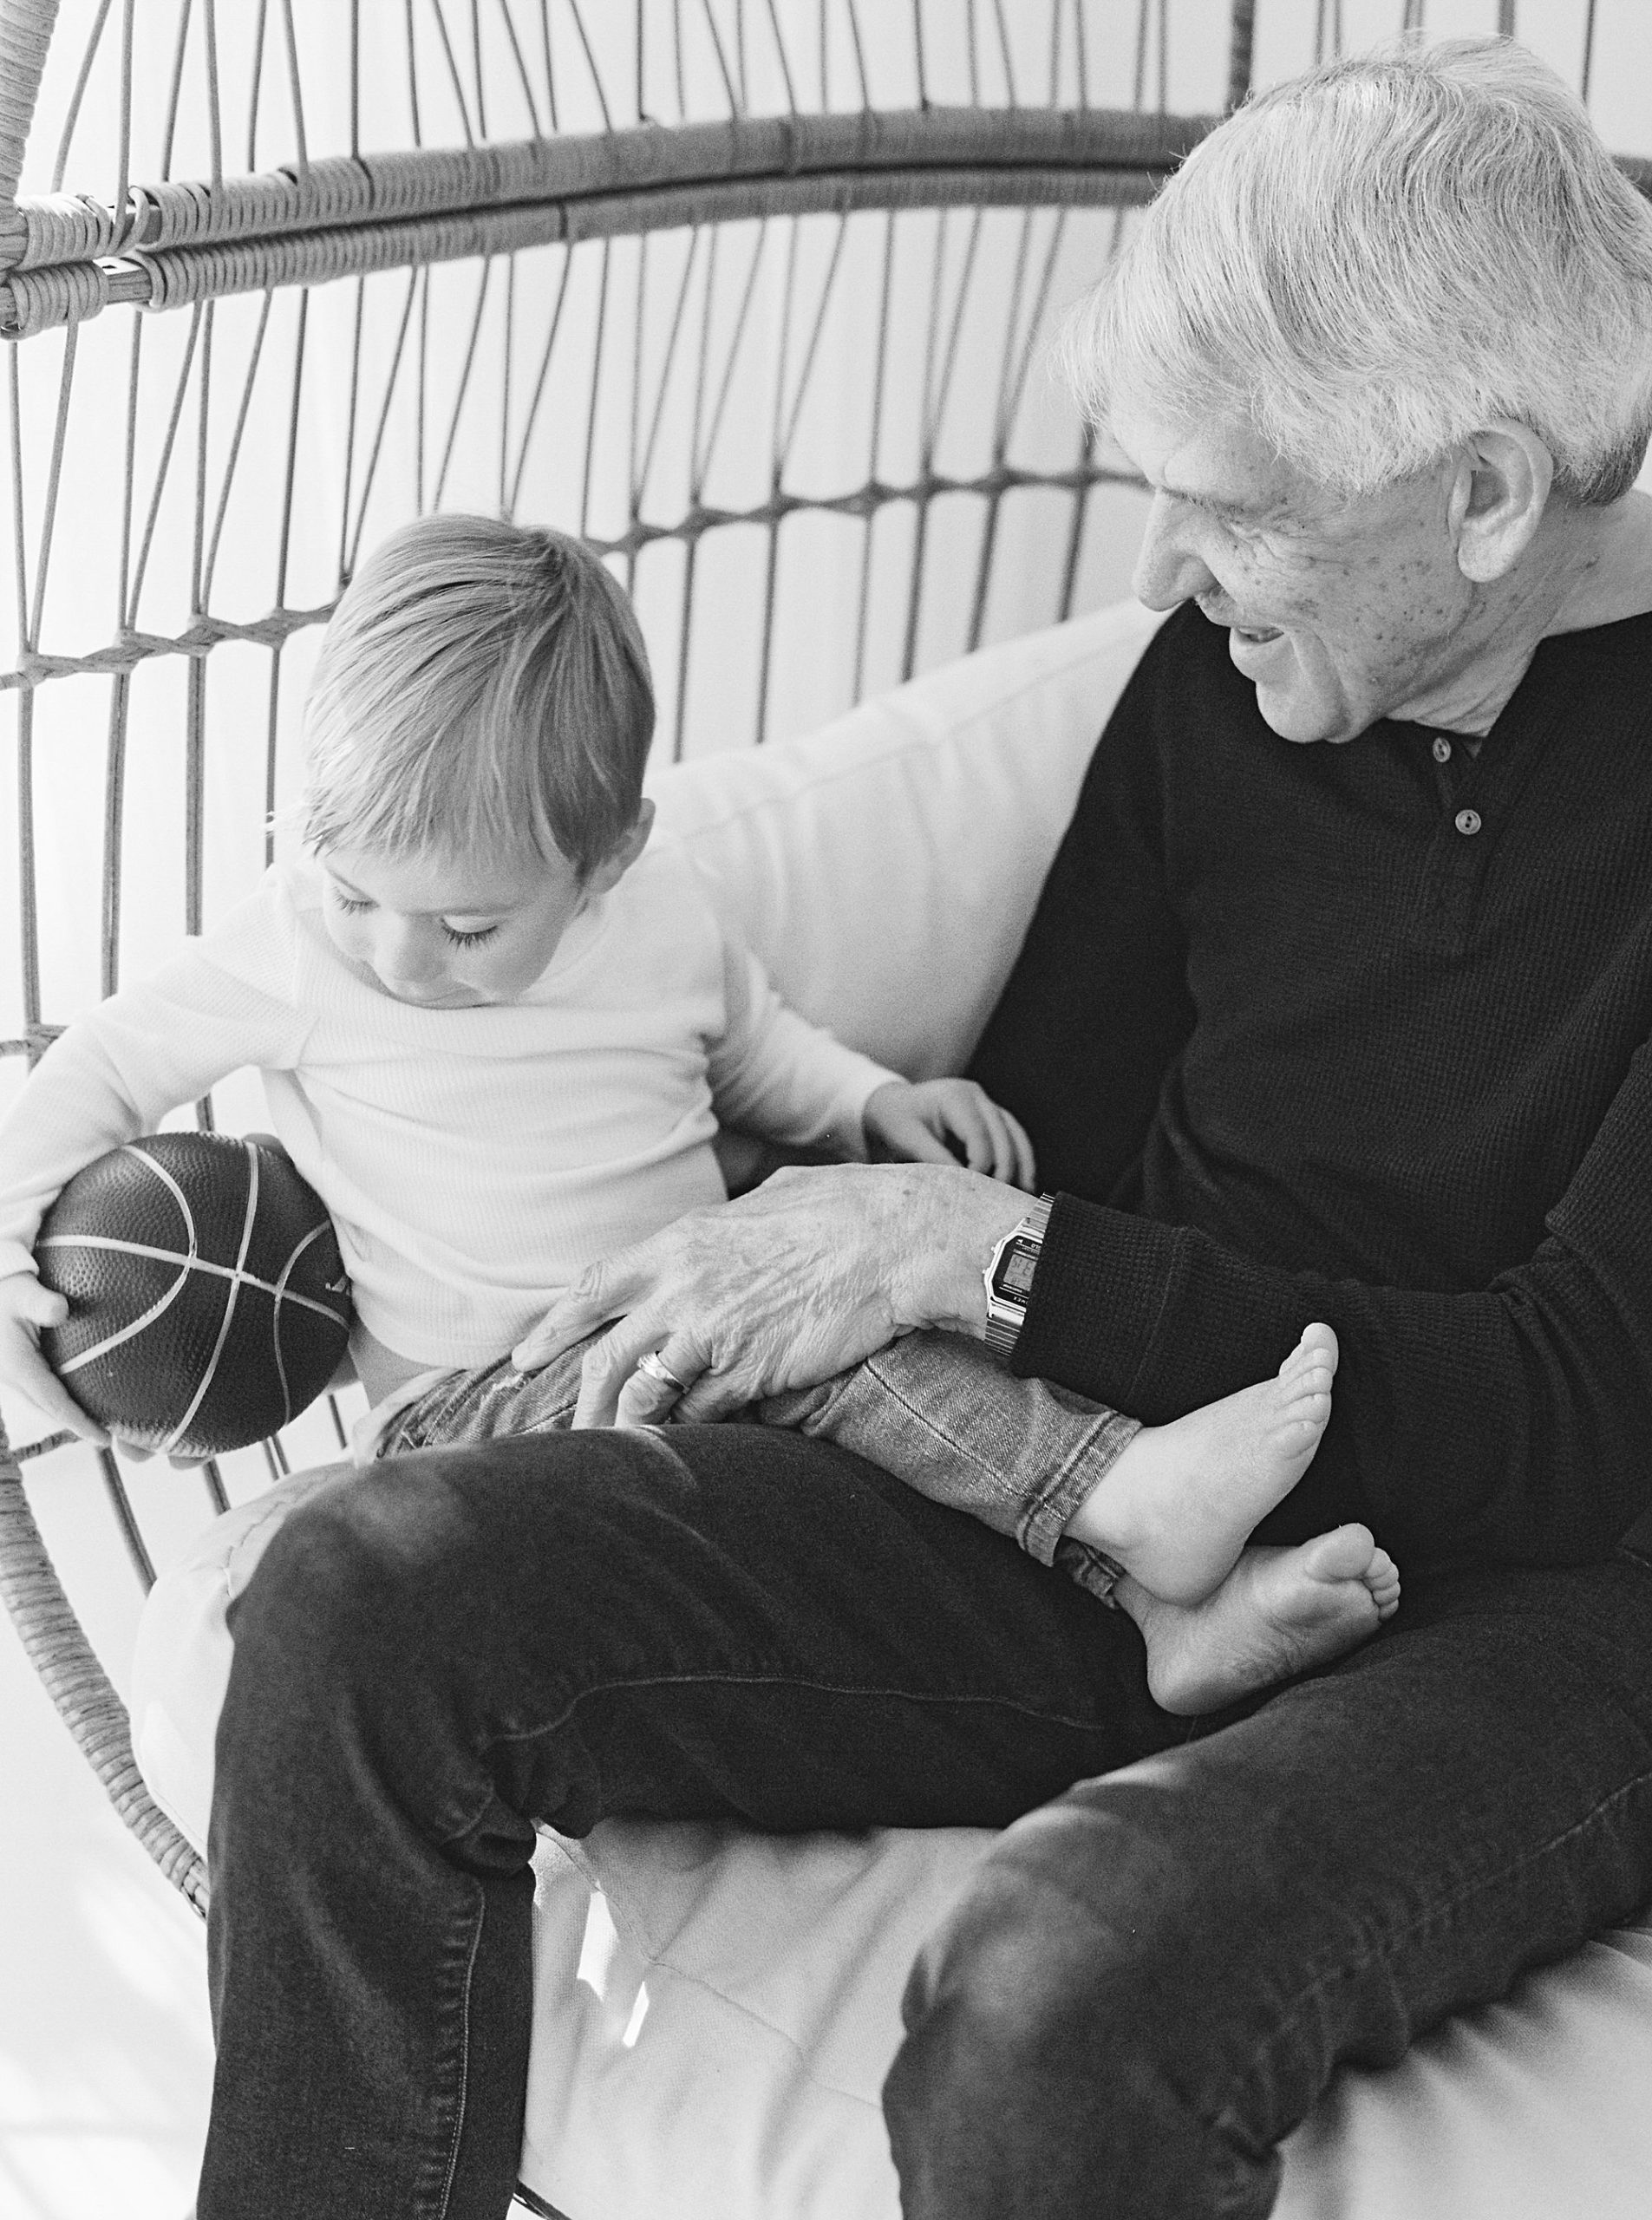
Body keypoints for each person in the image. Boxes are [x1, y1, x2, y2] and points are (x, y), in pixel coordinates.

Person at [170, 33, 1652, 2220]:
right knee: (363, 1606)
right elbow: (1022, 1143)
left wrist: (992, 1261)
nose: (1161, 573)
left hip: (1528, 1617)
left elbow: (1571, 1411)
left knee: (1051, 2004)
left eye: (1230, 508)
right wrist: (742, 1267)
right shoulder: (1216, 688)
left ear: (1488, 493)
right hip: (1108, 1499)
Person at [0, 513, 1395, 1713]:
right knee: (846, 1370)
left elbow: (754, 1047)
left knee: (907, 1356)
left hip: (710, 1326)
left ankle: (1155, 1618)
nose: (401, 958)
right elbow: (103, 1069)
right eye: (358, 893)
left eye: (471, 926)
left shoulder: (662, 919)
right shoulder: (295, 946)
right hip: (491, 1403)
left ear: (609, 859)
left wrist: (871, 1103)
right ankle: (1121, 1493)